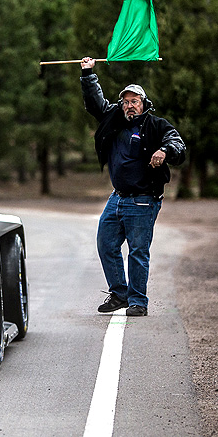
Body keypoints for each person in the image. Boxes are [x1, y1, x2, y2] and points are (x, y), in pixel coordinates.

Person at [80, 57, 186, 317]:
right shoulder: (113, 120)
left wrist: (164, 149)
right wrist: (87, 73)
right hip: (117, 197)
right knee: (106, 243)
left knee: (138, 251)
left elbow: (178, 143)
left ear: (144, 104)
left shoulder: (156, 125)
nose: (129, 106)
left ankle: (138, 300)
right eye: (125, 102)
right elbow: (95, 103)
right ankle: (119, 293)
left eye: (134, 101)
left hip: (143, 199)